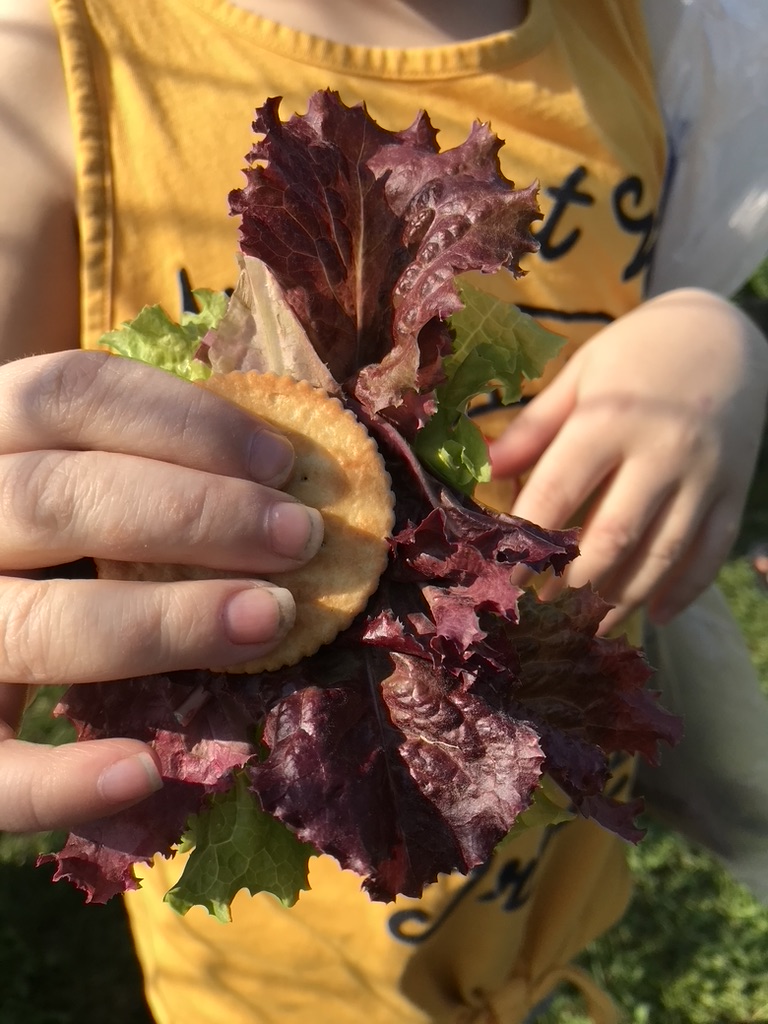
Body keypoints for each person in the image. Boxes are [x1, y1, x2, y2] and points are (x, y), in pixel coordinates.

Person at [1, 0, 767, 1021]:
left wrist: (715, 331)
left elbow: (668, 286)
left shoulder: (651, 37)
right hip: (276, 992)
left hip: (539, 921)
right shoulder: (52, 76)